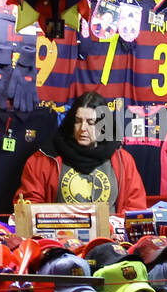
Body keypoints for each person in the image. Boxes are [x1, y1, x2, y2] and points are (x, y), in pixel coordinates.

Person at [15, 91, 147, 214]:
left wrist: (114, 228)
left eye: (91, 122)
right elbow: (29, 206)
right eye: (78, 121)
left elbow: (135, 207)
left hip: (108, 237)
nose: (83, 128)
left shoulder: (122, 160)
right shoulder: (45, 158)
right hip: (59, 236)